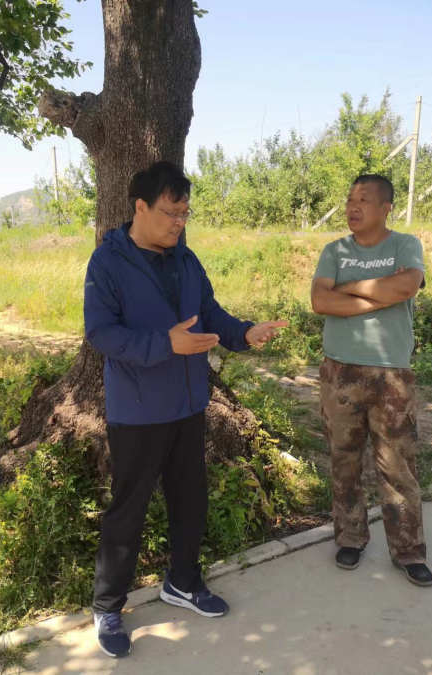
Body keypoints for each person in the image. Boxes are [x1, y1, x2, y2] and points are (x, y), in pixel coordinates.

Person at [83, 161, 287, 658]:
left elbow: (209, 314)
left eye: (185, 213)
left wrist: (244, 333)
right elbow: (101, 333)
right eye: (171, 213)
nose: (179, 222)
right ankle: (107, 606)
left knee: (190, 500)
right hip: (137, 409)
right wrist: (164, 344)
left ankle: (183, 582)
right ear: (140, 208)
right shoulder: (108, 262)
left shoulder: (186, 259)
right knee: (128, 510)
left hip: (188, 403)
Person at [311, 174, 432, 586]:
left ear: (385, 208)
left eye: (363, 199)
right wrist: (380, 296)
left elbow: (408, 284)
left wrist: (349, 290)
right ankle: (350, 538)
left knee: (397, 465)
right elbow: (320, 300)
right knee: (344, 460)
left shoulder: (404, 245)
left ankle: (408, 550)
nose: (352, 206)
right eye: (350, 199)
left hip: (391, 372)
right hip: (339, 371)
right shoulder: (334, 250)